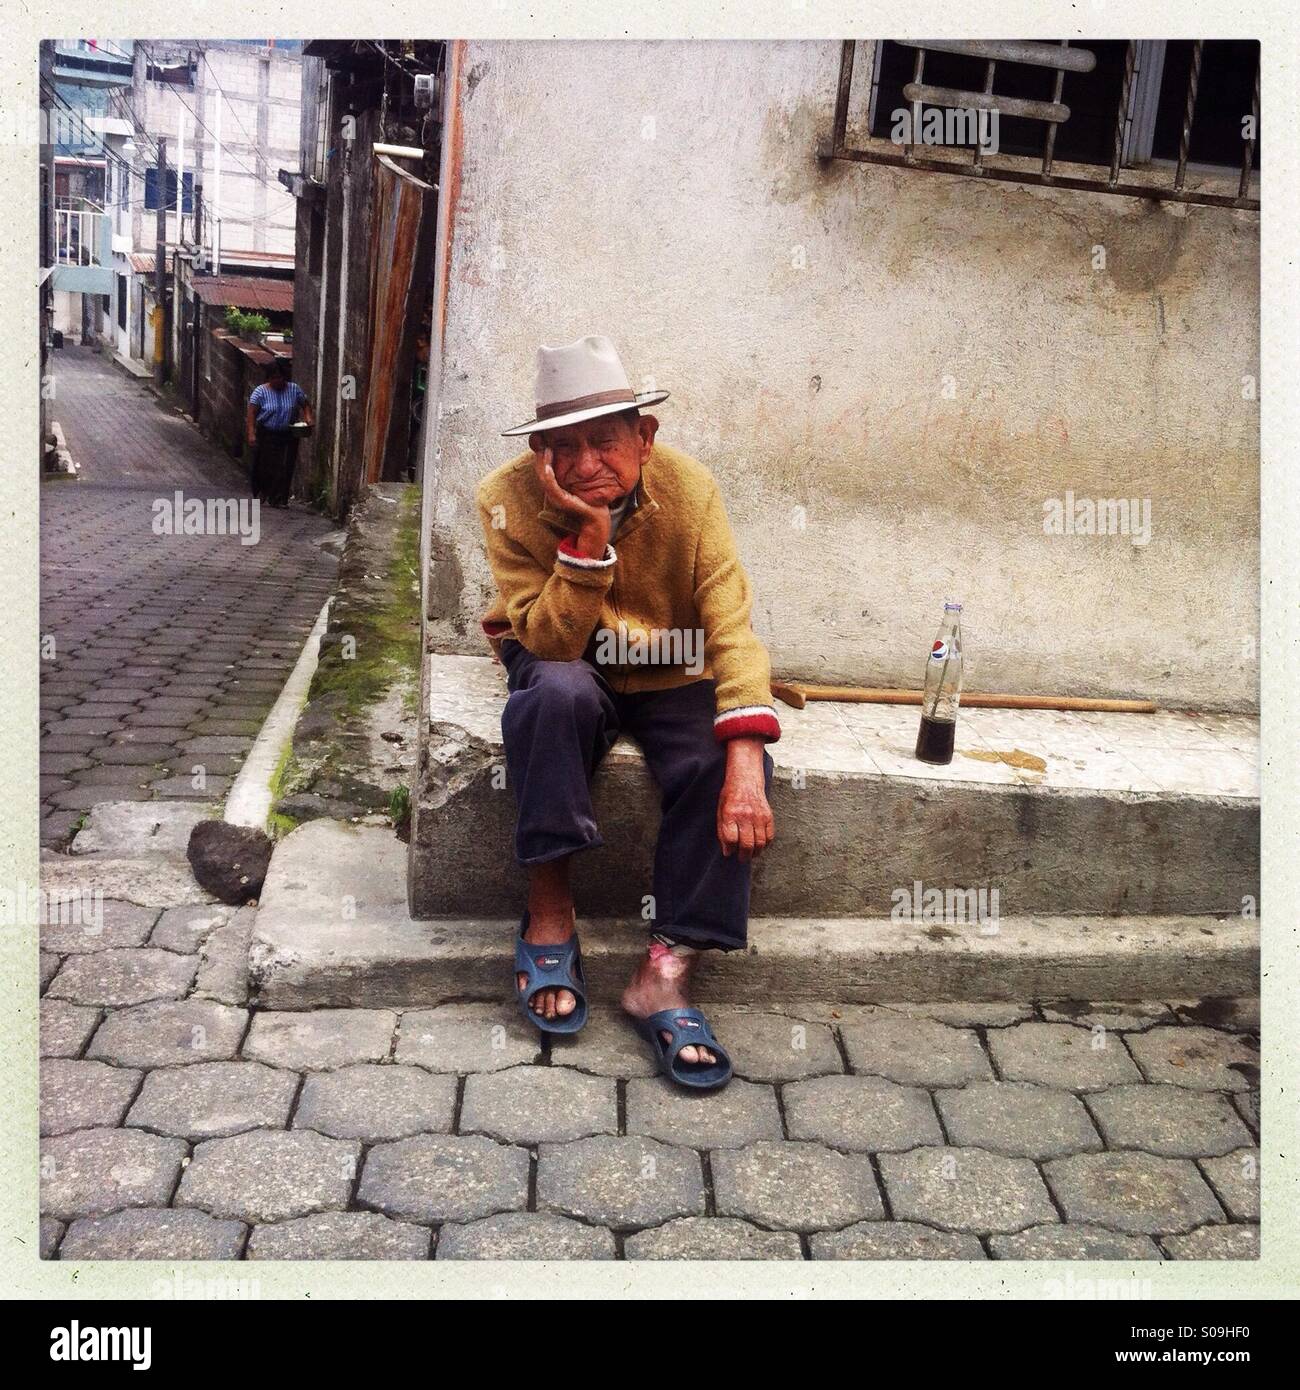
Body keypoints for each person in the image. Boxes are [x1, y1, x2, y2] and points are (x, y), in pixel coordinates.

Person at [477, 335, 779, 1090]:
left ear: (645, 438)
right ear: (539, 452)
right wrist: (586, 545)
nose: (584, 465)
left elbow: (731, 627)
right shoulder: (506, 500)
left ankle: (664, 976)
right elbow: (546, 641)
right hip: (561, 647)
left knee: (723, 758)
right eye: (562, 447)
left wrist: (747, 759)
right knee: (554, 695)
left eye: (604, 441)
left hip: (669, 661)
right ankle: (550, 912)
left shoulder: (692, 490)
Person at [246, 361, 313, 507]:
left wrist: (308, 418)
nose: (278, 381)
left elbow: (305, 404)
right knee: (268, 466)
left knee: (285, 465)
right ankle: (265, 490)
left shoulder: (294, 390)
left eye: (281, 378)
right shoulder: (260, 392)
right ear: (269, 378)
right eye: (274, 378)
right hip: (267, 434)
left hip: (288, 433)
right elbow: (251, 413)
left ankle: (280, 499)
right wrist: (251, 433)